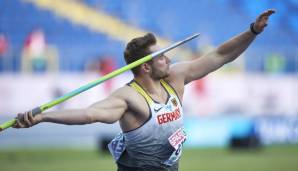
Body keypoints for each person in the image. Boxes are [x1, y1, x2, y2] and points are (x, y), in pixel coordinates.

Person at [13, 9, 275, 171]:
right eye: (161, 56)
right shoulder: (128, 98)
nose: (169, 59)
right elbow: (90, 114)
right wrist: (43, 116)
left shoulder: (175, 78)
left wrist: (252, 31)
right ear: (146, 68)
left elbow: (219, 55)